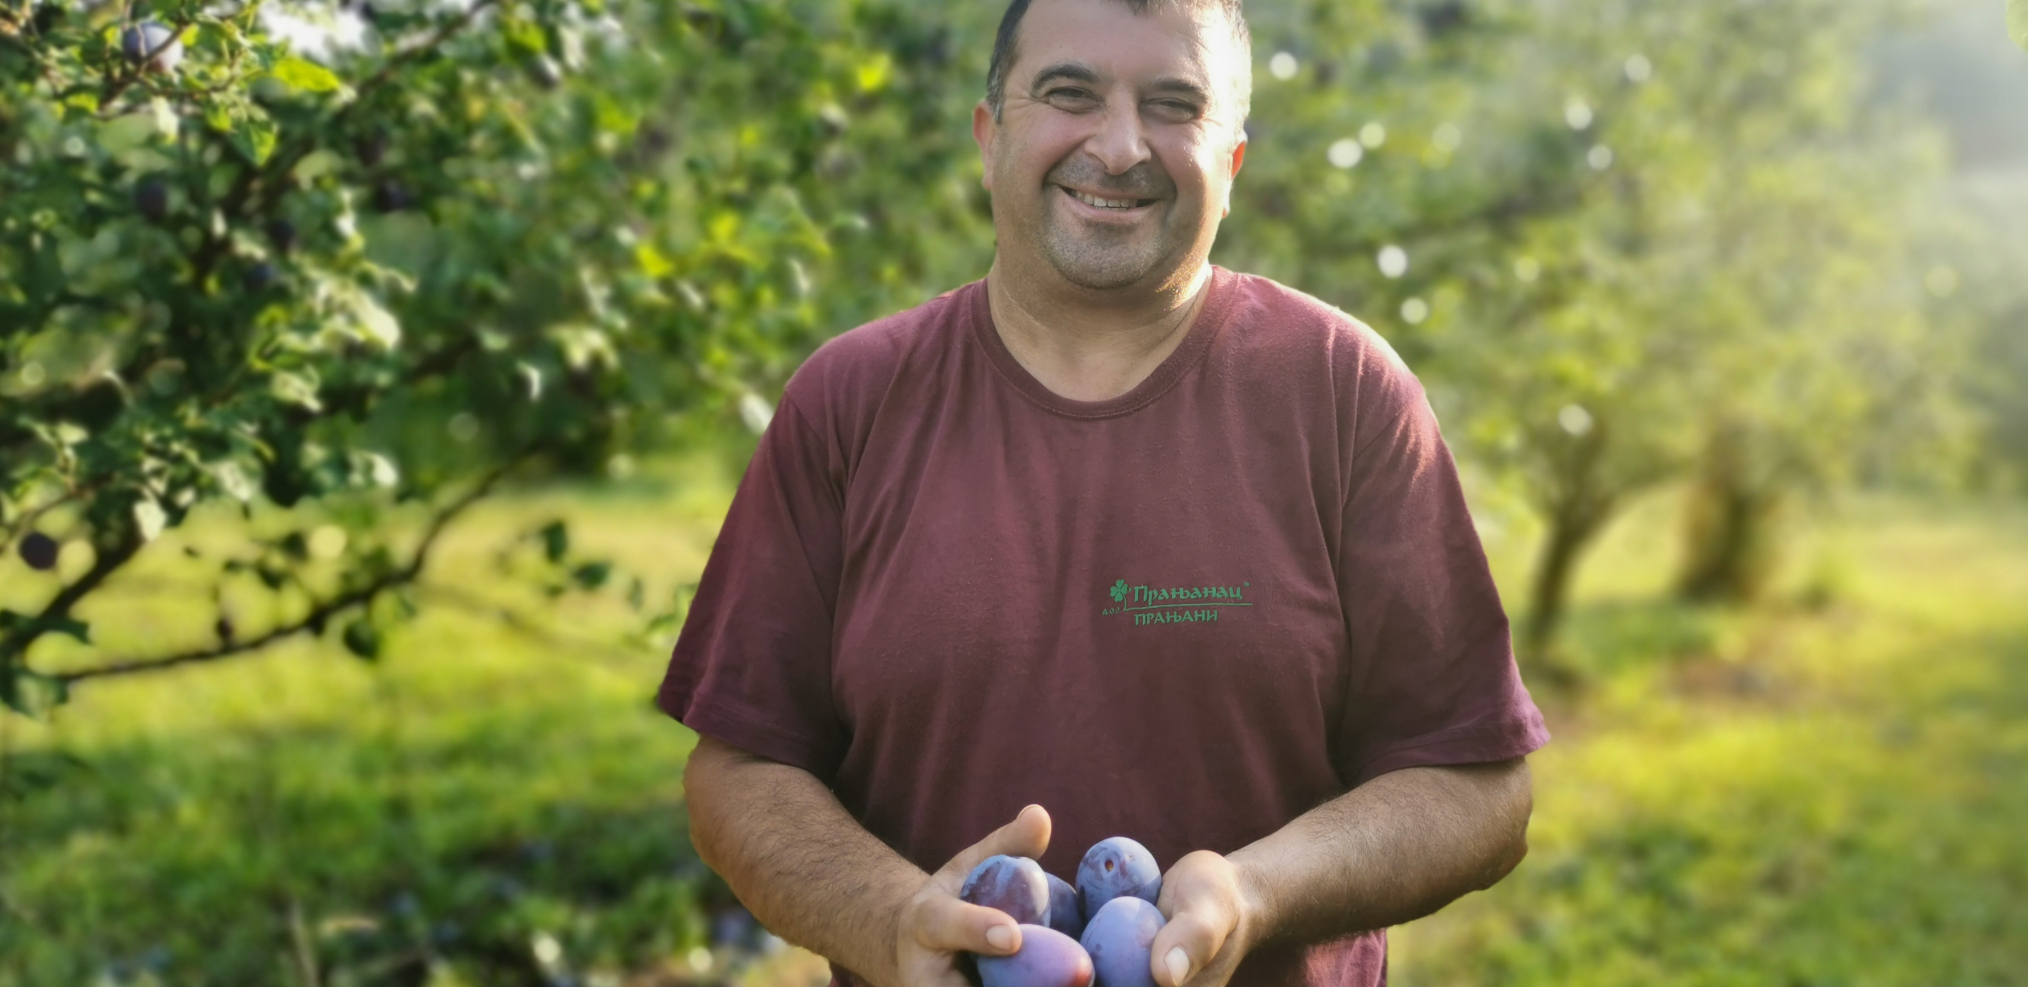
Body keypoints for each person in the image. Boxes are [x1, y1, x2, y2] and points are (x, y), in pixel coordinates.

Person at [660, 0, 1550, 984]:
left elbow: (1479, 788)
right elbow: (739, 771)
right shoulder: (850, 403)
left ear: (1235, 163)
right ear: (990, 132)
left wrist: (1255, 892)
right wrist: (888, 920)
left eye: (1174, 105)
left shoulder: (1343, 391)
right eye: (1070, 94)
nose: (1121, 147)